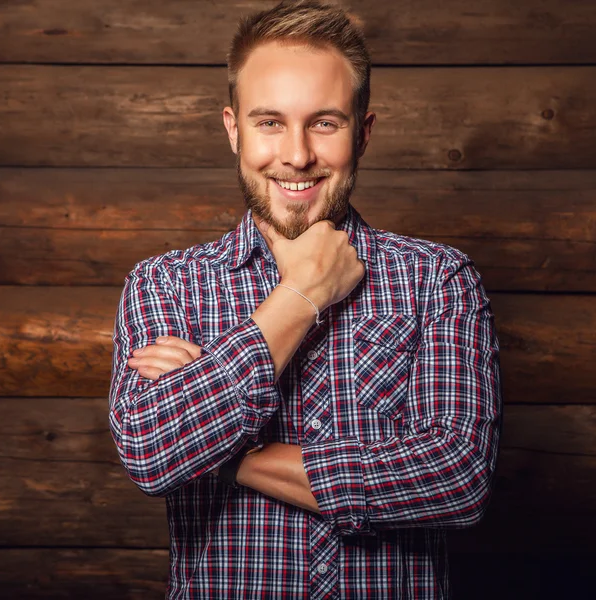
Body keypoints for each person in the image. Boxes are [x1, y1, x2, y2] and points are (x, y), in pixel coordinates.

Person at [108, 1, 502, 598]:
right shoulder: (166, 285)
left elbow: (457, 477)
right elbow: (151, 449)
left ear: (363, 132)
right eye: (269, 123)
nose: (296, 155)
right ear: (233, 128)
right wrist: (301, 296)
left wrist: (228, 448)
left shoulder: (439, 280)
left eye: (324, 123)